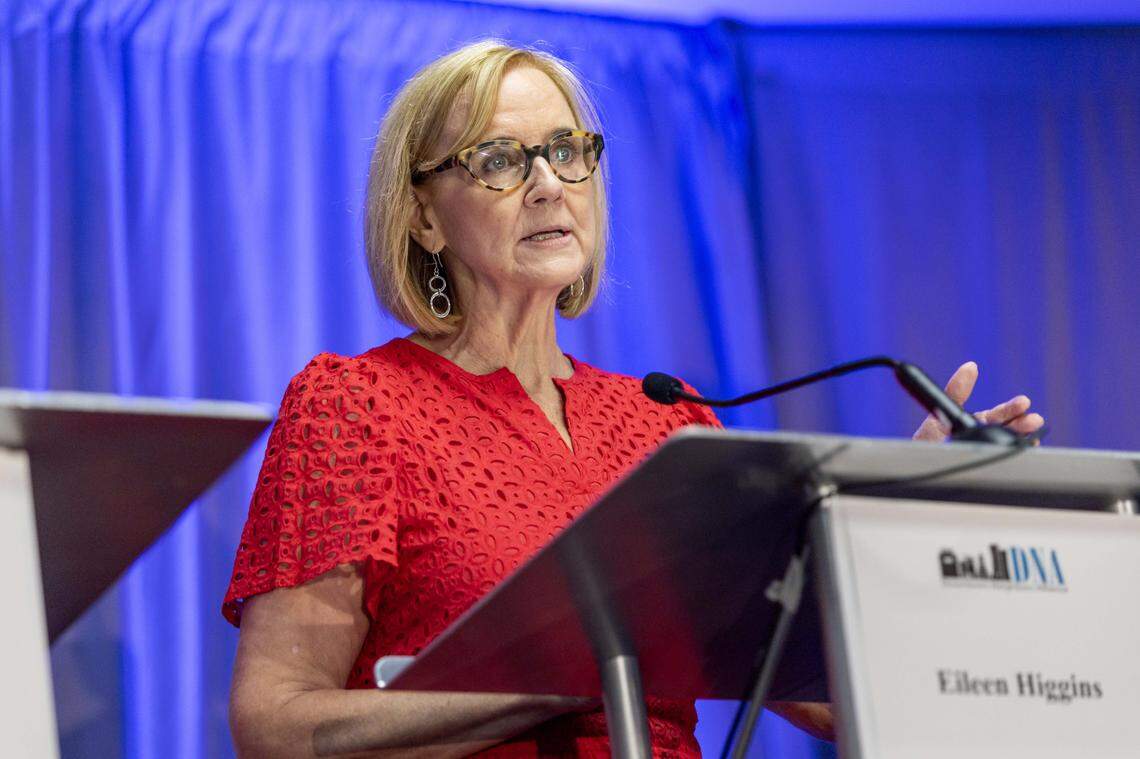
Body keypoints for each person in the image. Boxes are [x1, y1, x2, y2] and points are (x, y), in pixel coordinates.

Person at [223, 40, 1044, 759]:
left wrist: (900, 531)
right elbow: (276, 724)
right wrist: (564, 671)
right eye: (500, 159)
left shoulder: (670, 420)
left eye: (566, 150)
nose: (548, 183)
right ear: (425, 217)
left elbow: (825, 699)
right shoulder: (358, 406)